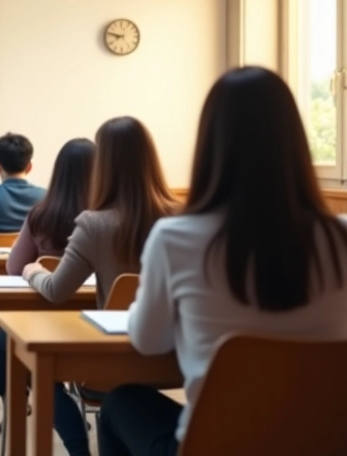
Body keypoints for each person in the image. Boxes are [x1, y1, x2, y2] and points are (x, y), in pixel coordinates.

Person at [98, 67, 347, 456]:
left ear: (210, 143)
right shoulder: (340, 237)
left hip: (213, 446)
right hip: (323, 443)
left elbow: (148, 340)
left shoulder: (175, 239)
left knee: (119, 403)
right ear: (294, 141)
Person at [0, 138, 96, 454]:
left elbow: (14, 267)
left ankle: (14, 399)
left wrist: (36, 270)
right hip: (102, 327)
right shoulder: (110, 217)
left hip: (49, 326)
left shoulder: (42, 214)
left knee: (9, 344)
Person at [22, 116, 179, 308]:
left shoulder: (94, 225)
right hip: (178, 336)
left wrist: (33, 271)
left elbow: (56, 290)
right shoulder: (183, 217)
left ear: (102, 165)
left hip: (115, 335)